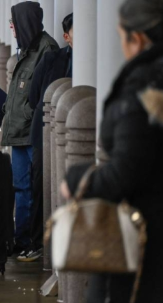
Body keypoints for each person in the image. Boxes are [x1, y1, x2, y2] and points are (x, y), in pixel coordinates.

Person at [61, 0, 163, 302]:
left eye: (121, 36)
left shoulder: (147, 86)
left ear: (138, 38)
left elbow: (127, 171)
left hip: (144, 238)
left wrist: (78, 178)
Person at [1, 1, 59, 254]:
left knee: (32, 189)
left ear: (24, 22)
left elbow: (44, 94)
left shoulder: (46, 49)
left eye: (13, 22)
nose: (12, 28)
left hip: (31, 132)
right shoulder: (25, 49)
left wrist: (24, 115)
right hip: (17, 132)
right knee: (20, 188)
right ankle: (21, 239)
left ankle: (32, 241)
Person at [17, 13, 73, 262]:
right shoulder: (52, 59)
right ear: (66, 36)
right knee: (42, 183)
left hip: (77, 133)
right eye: (76, 30)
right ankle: (41, 242)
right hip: (48, 132)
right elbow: (34, 96)